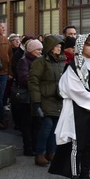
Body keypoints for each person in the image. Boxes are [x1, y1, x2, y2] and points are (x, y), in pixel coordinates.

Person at [49, 34, 90, 179]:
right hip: (78, 110)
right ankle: (74, 177)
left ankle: (85, 174)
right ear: (81, 47)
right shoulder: (73, 67)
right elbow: (74, 89)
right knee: (77, 145)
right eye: (88, 44)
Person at [29, 35, 65, 166]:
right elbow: (33, 82)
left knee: (55, 128)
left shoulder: (61, 61)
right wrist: (36, 102)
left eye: (60, 47)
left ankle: (51, 152)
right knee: (47, 126)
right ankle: (40, 153)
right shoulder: (40, 62)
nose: (59, 49)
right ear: (50, 48)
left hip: (58, 98)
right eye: (57, 46)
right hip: (44, 98)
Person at [13, 39, 42, 158]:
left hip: (35, 96)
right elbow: (23, 79)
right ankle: (29, 148)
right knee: (27, 124)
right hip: (26, 98)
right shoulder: (23, 61)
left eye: (41, 49)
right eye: (38, 49)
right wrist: (37, 81)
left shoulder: (39, 61)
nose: (40, 51)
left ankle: (35, 147)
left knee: (36, 124)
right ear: (31, 50)